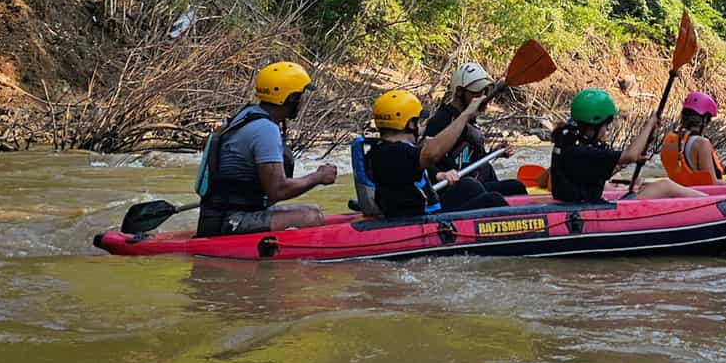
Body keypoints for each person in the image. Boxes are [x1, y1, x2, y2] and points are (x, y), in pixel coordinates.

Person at [197, 62, 339, 237]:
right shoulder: (265, 130)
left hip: (218, 215)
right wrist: (318, 177)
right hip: (230, 220)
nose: (303, 100)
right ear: (291, 98)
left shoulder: (245, 115)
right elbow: (278, 190)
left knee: (313, 209)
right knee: (311, 216)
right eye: (301, 95)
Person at [548, 88, 708, 206]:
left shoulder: (569, 139)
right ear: (593, 125)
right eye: (606, 126)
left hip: (580, 203)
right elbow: (630, 155)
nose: (606, 131)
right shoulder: (582, 151)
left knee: (644, 186)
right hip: (586, 209)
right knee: (664, 185)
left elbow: (596, 172)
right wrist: (650, 124)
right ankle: (712, 204)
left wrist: (625, 164)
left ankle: (709, 201)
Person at [365, 89, 505, 218]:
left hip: (420, 211)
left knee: (469, 186)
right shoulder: (395, 153)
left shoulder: (382, 150)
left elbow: (411, 164)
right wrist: (466, 114)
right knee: (493, 200)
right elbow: (432, 154)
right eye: (418, 121)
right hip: (418, 219)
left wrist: (438, 173)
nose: (421, 125)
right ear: (411, 124)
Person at [421, 62, 531, 199]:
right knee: (513, 188)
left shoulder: (471, 121)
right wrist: (440, 175)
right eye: (476, 92)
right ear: (460, 92)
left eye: (484, 92)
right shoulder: (441, 120)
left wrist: (495, 153)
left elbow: (472, 159)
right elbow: (423, 160)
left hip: (474, 181)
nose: (482, 97)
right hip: (454, 190)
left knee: (503, 179)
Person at [659, 91, 726, 186]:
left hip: (679, 188)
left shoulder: (672, 139)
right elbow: (712, 184)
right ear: (705, 120)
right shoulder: (702, 143)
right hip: (698, 192)